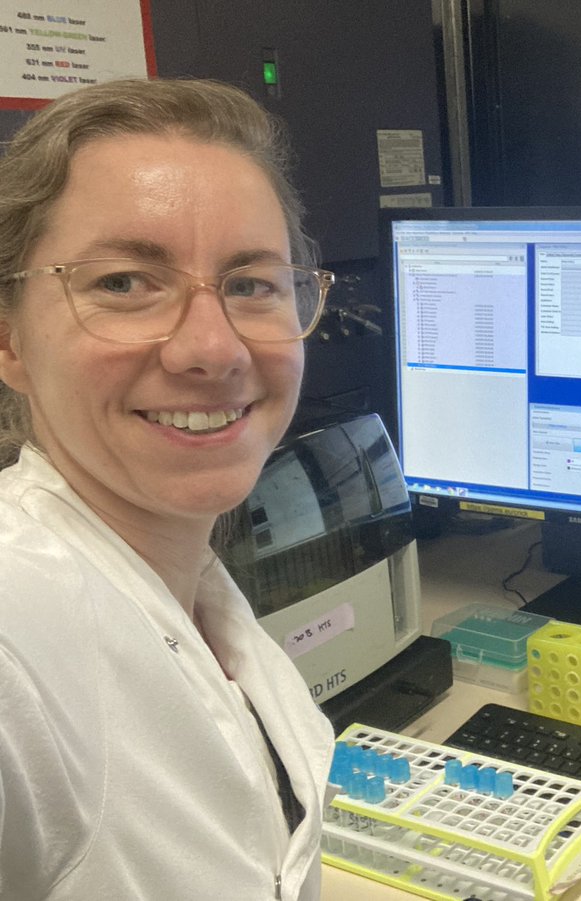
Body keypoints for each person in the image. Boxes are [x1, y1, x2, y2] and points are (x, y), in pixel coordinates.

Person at [0, 78, 336, 899]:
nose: (212, 349)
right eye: (123, 282)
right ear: (9, 342)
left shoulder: (192, 596)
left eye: (252, 283)